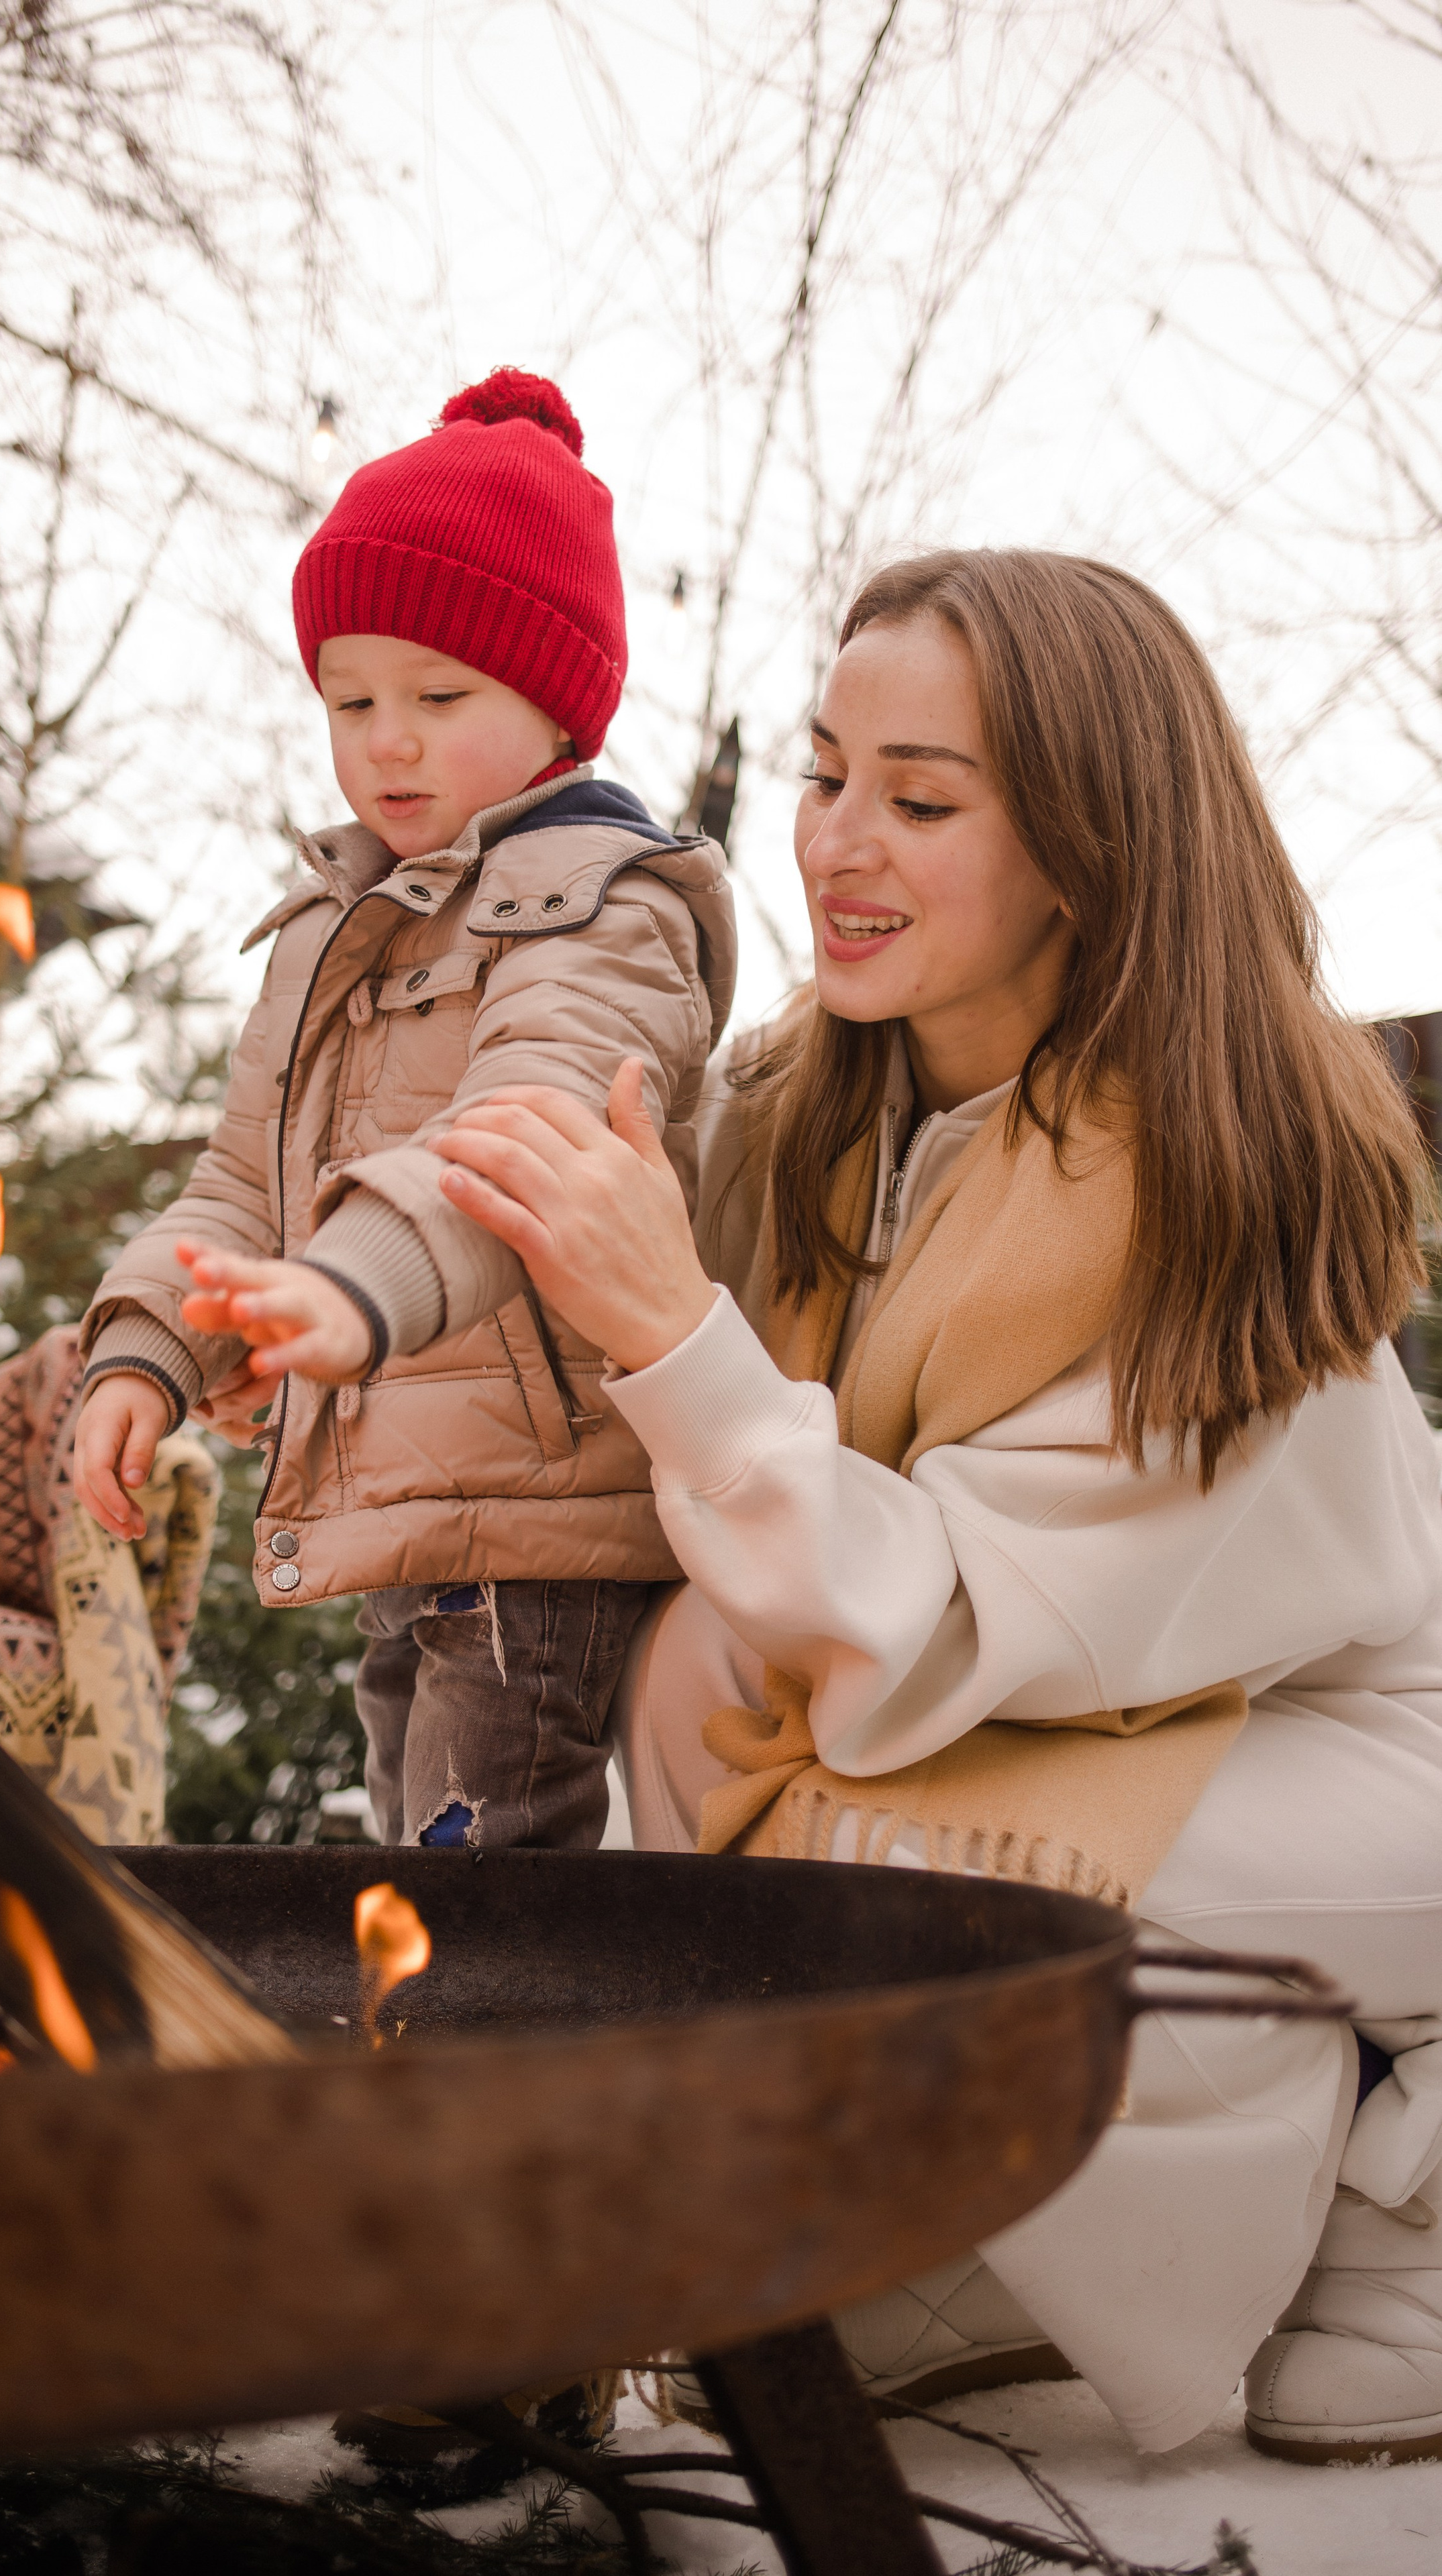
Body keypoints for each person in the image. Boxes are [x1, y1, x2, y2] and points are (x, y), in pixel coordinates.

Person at [426, 547, 1442, 2465]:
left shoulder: (1229, 1165)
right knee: (704, 1711)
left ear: (1082, 841)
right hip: (1073, 1728)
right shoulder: (821, 1111)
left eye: (922, 798)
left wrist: (676, 1333)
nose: (836, 844)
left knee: (888, 1884)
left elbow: (942, 1629)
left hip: (1364, 1761)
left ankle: (1404, 2182)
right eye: (826, 775)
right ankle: (1040, 2245)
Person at [72, 369, 735, 1855]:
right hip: (408, 1506)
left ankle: (482, 2089)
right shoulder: (335, 928)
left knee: (478, 1880)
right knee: (412, 1866)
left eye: (439, 699)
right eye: (349, 700)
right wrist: (145, 1352)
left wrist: (347, 1293)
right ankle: (425, 2071)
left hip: (539, 1513)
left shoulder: (601, 915)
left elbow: (521, 1135)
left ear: (555, 703)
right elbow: (240, 1183)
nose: (385, 743)